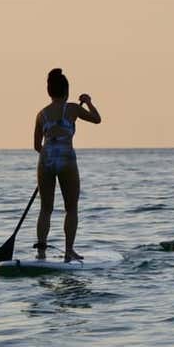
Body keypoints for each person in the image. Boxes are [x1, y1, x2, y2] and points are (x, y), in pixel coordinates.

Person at [34, 68, 101, 262]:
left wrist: (49, 156)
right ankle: (69, 250)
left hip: (45, 160)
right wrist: (88, 102)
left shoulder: (41, 114)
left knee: (45, 208)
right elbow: (97, 119)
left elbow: (37, 145)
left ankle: (41, 252)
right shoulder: (73, 108)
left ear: (49, 92)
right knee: (71, 208)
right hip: (67, 160)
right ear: (67, 91)